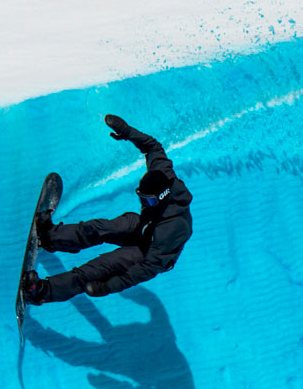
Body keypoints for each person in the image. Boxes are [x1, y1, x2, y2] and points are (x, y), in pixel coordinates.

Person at [22, 114, 193, 306]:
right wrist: (127, 132)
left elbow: (146, 270)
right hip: (145, 226)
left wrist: (107, 287)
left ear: (163, 197)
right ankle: (50, 237)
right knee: (99, 228)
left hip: (148, 251)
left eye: (149, 201)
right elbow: (153, 146)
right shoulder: (162, 173)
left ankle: (42, 292)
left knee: (100, 267)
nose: (144, 204)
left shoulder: (174, 229)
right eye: (141, 198)